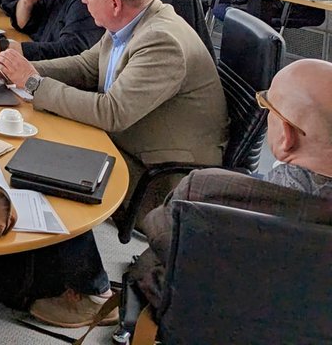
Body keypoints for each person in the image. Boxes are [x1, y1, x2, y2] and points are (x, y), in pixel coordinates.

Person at [0, 0, 227, 328]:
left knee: (55, 165)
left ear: (114, 2)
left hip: (161, 172)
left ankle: (89, 290)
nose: (81, 0)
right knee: (37, 147)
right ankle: (39, 268)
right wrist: (21, 71)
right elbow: (84, 65)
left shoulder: (162, 41)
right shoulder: (130, 23)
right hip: (133, 140)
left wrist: (32, 83)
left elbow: (112, 112)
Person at [127, 58, 332, 318]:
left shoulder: (206, 191)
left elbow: (159, 235)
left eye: (268, 107)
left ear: (286, 137)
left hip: (199, 314)